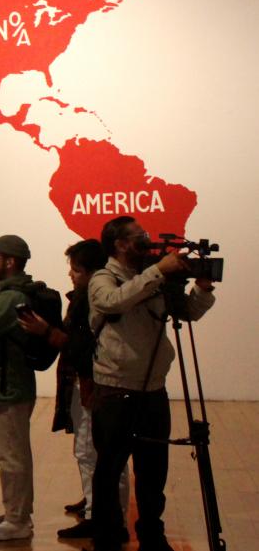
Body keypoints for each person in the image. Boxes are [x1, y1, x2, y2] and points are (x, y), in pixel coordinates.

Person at [88, 216, 216, 551]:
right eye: (138, 236)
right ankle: (107, 535)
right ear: (119, 243)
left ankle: (152, 535)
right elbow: (111, 301)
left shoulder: (155, 277)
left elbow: (187, 312)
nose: (146, 240)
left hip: (154, 389)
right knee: (109, 468)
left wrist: (200, 290)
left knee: (153, 470)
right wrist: (159, 270)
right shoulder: (103, 277)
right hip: (116, 388)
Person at [17, 239, 130, 539]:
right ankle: (100, 509)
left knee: (94, 451)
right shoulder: (88, 299)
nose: (71, 275)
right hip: (87, 383)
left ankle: (104, 516)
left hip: (93, 384)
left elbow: (81, 346)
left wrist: (47, 332)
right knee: (92, 451)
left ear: (94, 272)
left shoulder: (94, 301)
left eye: (76, 270)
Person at [0, 235, 45, 541]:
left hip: (9, 388)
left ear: (10, 261)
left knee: (11, 457)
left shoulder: (7, 298)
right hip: (10, 386)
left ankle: (17, 520)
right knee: (15, 455)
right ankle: (17, 513)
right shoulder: (8, 295)